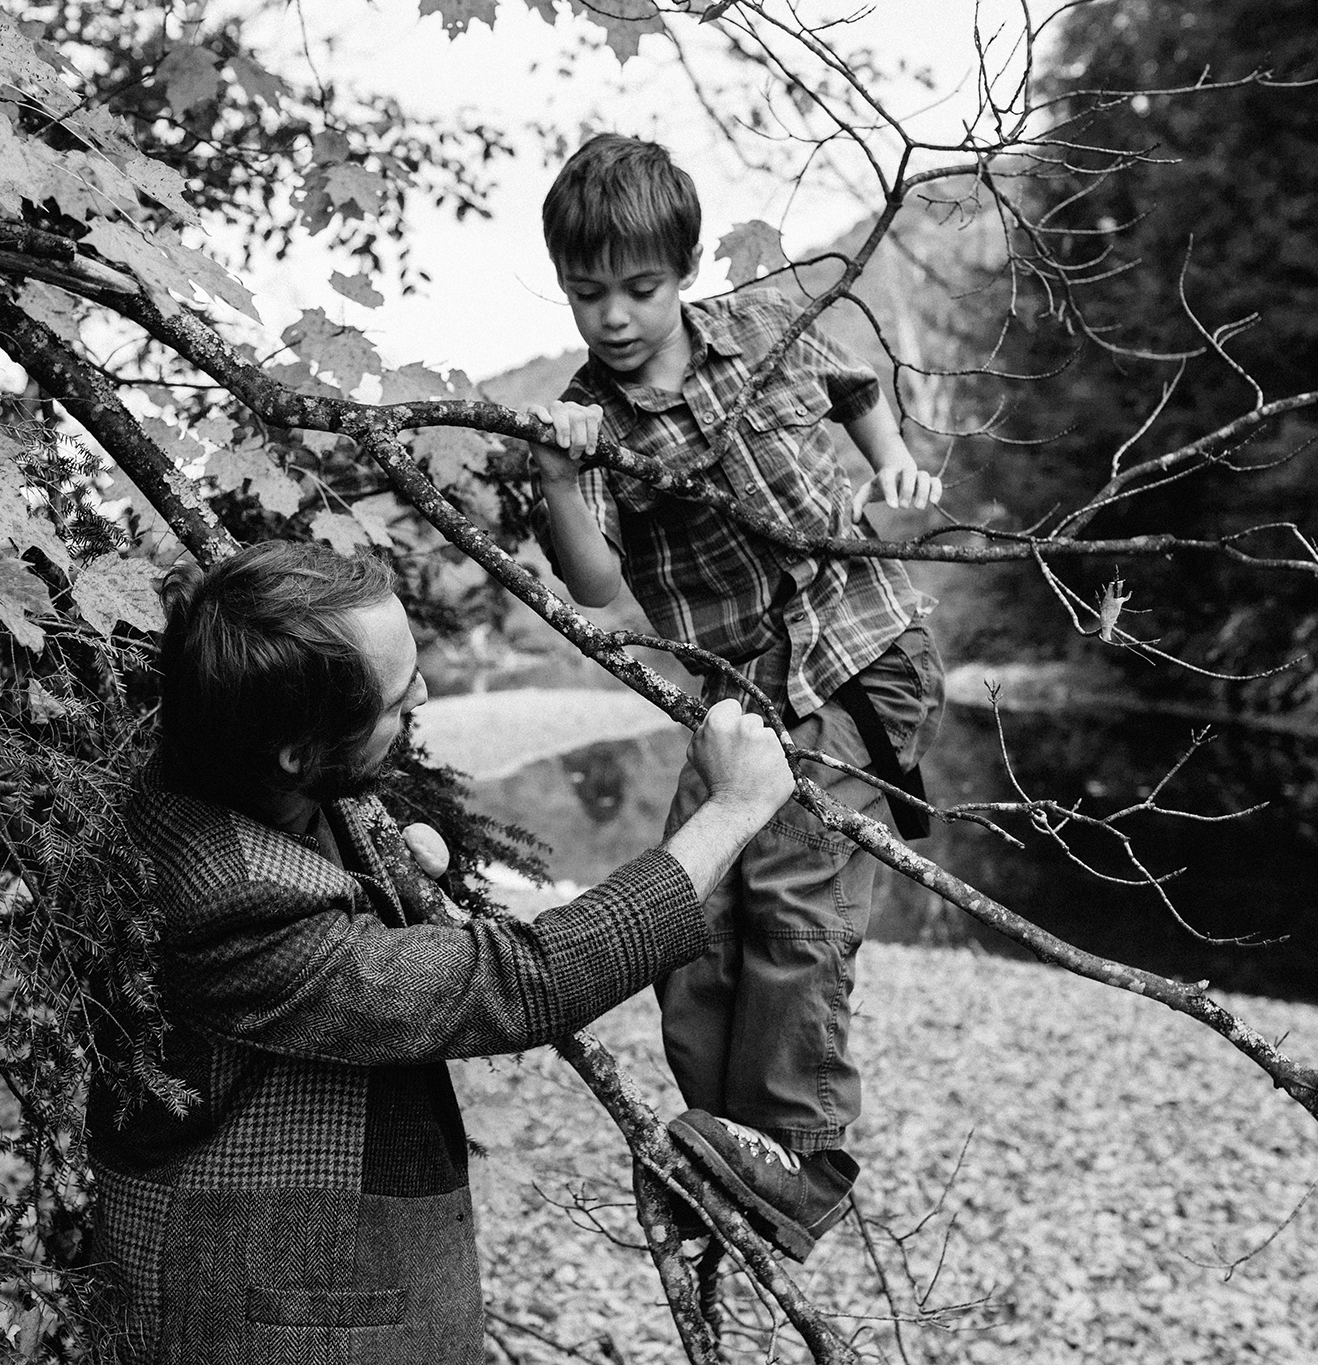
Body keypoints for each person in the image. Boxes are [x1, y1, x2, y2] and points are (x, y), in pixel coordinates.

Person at [86, 540, 794, 1363]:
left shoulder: (233, 765)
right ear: (296, 753)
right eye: (395, 700)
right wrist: (733, 808)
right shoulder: (228, 904)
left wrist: (378, 878)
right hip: (258, 1316)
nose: (423, 694)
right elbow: (520, 982)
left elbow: (323, 877)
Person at [525, 133, 948, 1262]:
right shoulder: (582, 423)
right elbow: (596, 587)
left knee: (791, 890)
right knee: (692, 908)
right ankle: (723, 1148)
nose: (612, 317)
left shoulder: (758, 331)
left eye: (640, 289)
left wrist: (891, 464)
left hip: (858, 654)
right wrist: (560, 476)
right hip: (739, 701)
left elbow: (854, 388)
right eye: (585, 294)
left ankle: (801, 1158)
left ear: (686, 267)